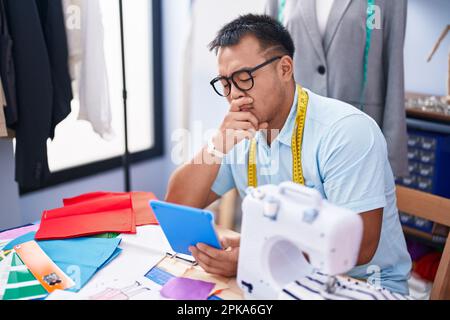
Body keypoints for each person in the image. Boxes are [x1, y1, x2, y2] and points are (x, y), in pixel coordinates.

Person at [165, 14, 411, 294]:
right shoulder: (240, 132)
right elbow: (176, 206)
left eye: (244, 78)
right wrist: (216, 146)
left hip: (360, 286)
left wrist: (254, 256)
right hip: (278, 278)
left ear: (284, 69)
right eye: (225, 83)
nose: (234, 95)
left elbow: (359, 246)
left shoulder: (346, 131)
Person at [265, 0, 409, 178]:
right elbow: (265, 65)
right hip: (291, 138)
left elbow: (394, 68)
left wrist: (391, 159)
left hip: (357, 141)